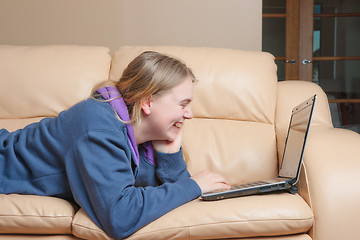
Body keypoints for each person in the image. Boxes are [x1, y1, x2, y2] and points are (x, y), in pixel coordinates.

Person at [0, 51, 230, 239]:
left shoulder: (142, 136)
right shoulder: (97, 127)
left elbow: (175, 203)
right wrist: (193, 185)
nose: (189, 114)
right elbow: (120, 217)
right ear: (148, 102)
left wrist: (169, 153)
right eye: (183, 104)